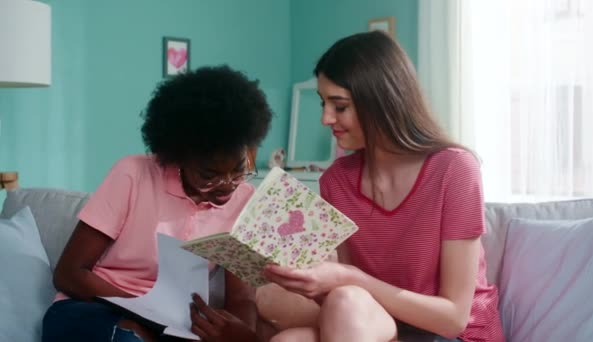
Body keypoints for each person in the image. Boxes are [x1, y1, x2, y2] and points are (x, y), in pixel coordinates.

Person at [263, 31, 505, 342]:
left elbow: (454, 318)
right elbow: (351, 300)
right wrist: (311, 280)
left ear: (380, 100)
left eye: (339, 106)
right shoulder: (336, 180)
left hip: (453, 335)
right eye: (324, 104)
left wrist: (348, 278)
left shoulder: (454, 168)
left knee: (346, 300)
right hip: (382, 327)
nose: (325, 118)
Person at [41, 65, 273, 342]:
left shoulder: (247, 203)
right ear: (179, 156)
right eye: (209, 175)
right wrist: (147, 312)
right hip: (93, 310)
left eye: (239, 170)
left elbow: (242, 300)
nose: (227, 185)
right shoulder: (133, 174)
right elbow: (69, 274)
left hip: (174, 328)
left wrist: (238, 334)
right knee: (131, 335)